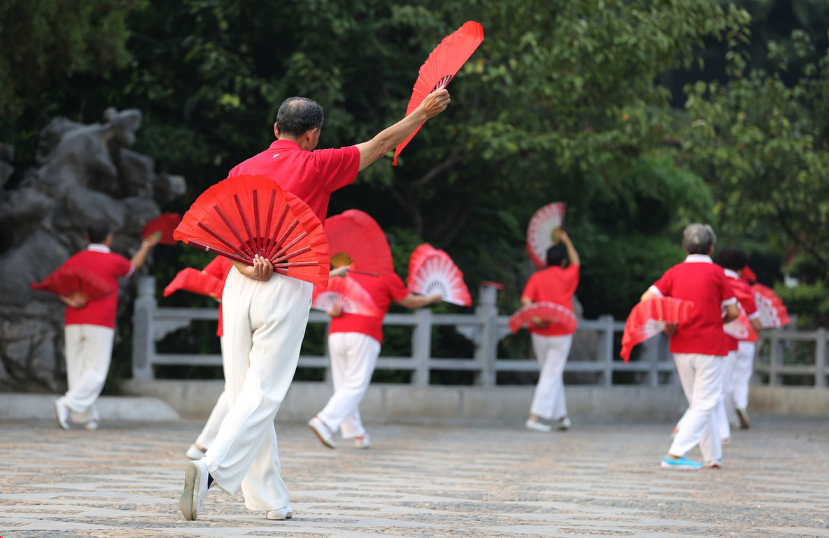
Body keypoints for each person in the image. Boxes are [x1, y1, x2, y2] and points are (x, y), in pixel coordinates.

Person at [179, 90, 451, 522]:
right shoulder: (317, 164)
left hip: (239, 282)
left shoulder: (240, 169)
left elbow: (223, 233)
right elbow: (381, 144)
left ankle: (271, 498)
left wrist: (246, 267)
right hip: (286, 281)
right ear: (313, 135)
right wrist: (422, 113)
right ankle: (209, 469)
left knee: (245, 392)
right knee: (264, 392)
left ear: (275, 129)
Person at [640, 224, 739, 470]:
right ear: (711, 248)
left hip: (681, 344)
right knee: (705, 403)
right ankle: (674, 455)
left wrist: (665, 322)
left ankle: (712, 456)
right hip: (710, 344)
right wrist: (719, 320)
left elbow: (647, 299)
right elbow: (734, 311)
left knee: (699, 402)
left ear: (685, 247)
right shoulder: (717, 273)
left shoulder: (674, 272)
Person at [308, 267, 442, 450]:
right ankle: (324, 421)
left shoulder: (345, 271)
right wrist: (431, 298)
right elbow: (409, 301)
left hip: (337, 333)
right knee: (355, 384)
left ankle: (358, 433)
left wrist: (331, 311)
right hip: (364, 332)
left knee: (344, 386)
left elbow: (328, 303)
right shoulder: (385, 274)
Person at [54, 219, 158, 430]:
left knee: (78, 369)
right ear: (108, 238)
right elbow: (133, 267)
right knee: (96, 370)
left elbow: (57, 284)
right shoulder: (112, 260)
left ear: (87, 238)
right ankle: (67, 404)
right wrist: (146, 246)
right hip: (99, 321)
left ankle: (85, 417)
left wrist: (71, 301)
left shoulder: (75, 259)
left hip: (73, 320)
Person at [671, 246, 762, 443]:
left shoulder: (710, 277)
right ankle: (732, 411)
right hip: (730, 342)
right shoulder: (739, 285)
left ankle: (715, 434)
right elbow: (743, 315)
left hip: (696, 340)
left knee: (707, 389)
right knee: (720, 387)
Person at [521, 230, 579, 433]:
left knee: (551, 373)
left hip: (540, 331)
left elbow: (526, 299)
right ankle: (534, 417)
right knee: (551, 374)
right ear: (563, 261)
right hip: (562, 330)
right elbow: (576, 262)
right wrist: (567, 240)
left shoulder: (537, 277)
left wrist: (536, 317)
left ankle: (562, 417)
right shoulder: (567, 275)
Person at [186, 255, 234, 460]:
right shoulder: (228, 255)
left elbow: (205, 278)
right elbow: (205, 280)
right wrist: (226, 294)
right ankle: (204, 444)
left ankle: (207, 444)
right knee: (238, 388)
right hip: (238, 323)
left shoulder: (227, 253)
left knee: (241, 387)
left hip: (233, 323)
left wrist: (223, 294)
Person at [717, 247, 762, 430]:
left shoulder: (717, 282)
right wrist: (761, 327)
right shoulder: (744, 286)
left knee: (724, 379)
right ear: (742, 266)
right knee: (742, 376)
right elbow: (755, 319)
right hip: (746, 337)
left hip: (723, 336)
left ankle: (728, 418)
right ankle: (740, 404)